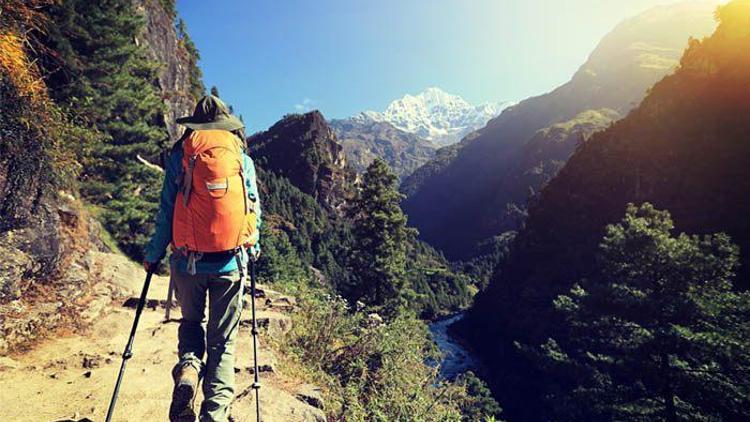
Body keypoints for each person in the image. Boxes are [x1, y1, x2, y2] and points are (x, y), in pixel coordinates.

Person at [143, 95, 262, 422]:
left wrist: (153, 255)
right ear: (227, 124)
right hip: (230, 264)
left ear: (194, 124)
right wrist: (251, 249)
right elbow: (253, 210)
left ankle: (189, 371)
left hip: (187, 262)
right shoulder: (241, 157)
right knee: (223, 344)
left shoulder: (181, 155)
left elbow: (167, 211)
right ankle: (215, 416)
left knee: (192, 324)